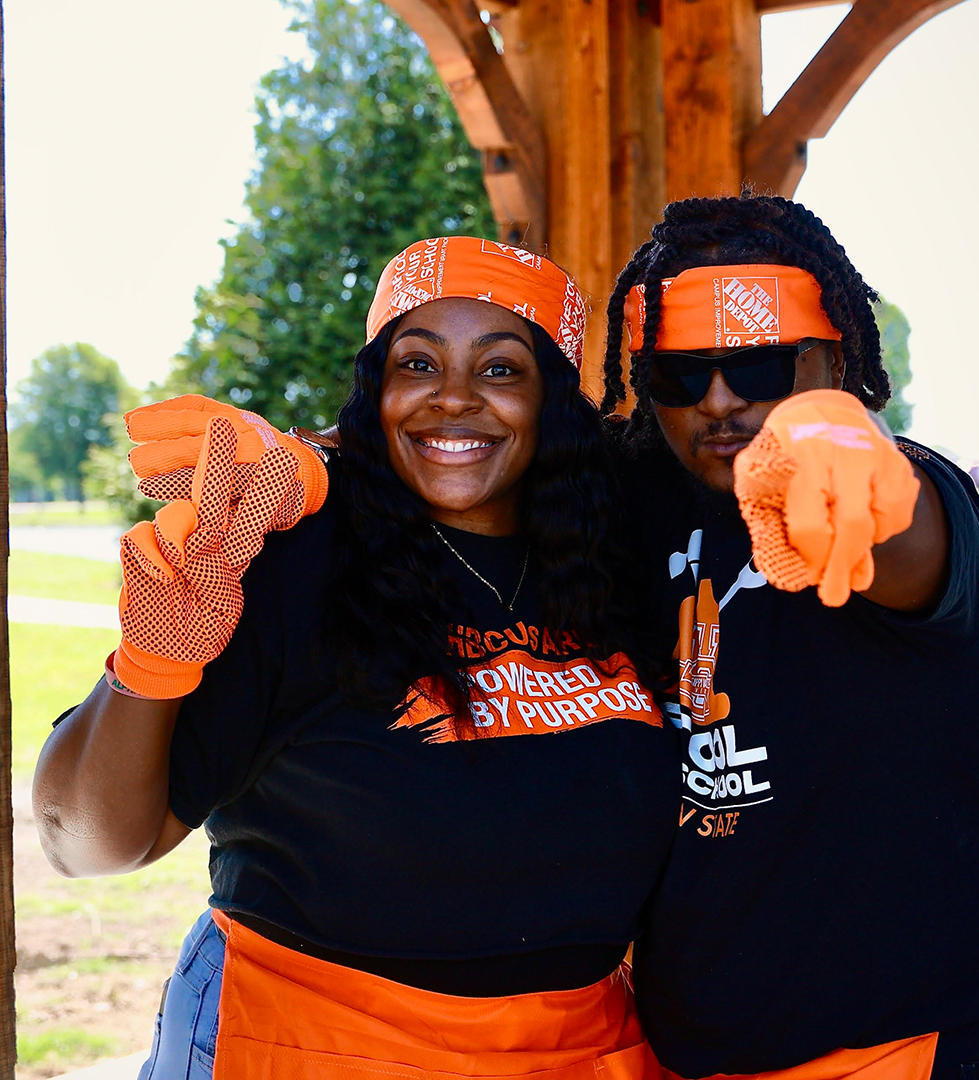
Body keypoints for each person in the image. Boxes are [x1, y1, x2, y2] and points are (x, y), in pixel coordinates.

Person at [33, 236, 681, 1080]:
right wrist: (152, 664)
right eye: (417, 364)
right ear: (377, 392)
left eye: (499, 370)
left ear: (555, 399)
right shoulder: (294, 561)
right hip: (311, 1039)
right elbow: (86, 844)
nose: (452, 400)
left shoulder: (616, 563)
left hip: (575, 1048)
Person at [598, 194, 979, 1080]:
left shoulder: (922, 495)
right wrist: (321, 462)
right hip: (690, 1055)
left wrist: (843, 447)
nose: (720, 401)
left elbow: (897, 535)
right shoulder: (632, 507)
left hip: (917, 1050)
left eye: (766, 367)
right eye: (678, 375)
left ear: (836, 358)